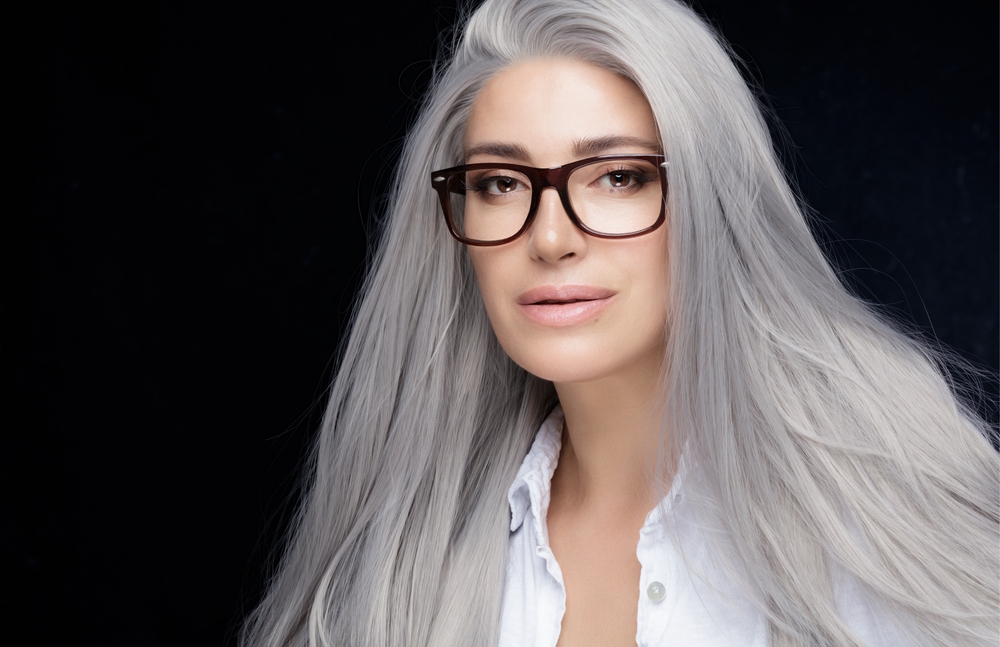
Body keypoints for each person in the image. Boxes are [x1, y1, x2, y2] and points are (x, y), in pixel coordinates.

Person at [241, 0, 999, 645]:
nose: (550, 236)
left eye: (618, 176)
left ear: (712, 200)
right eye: (501, 182)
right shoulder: (401, 564)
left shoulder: (874, 533)